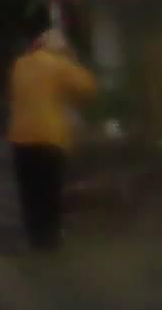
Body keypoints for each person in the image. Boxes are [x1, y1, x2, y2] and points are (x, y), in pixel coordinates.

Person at [7, 25, 98, 250]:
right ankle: (49, 240)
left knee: (30, 191)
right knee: (49, 190)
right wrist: (71, 59)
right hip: (49, 135)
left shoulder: (20, 64)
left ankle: (35, 238)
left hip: (20, 137)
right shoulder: (58, 64)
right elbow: (88, 88)